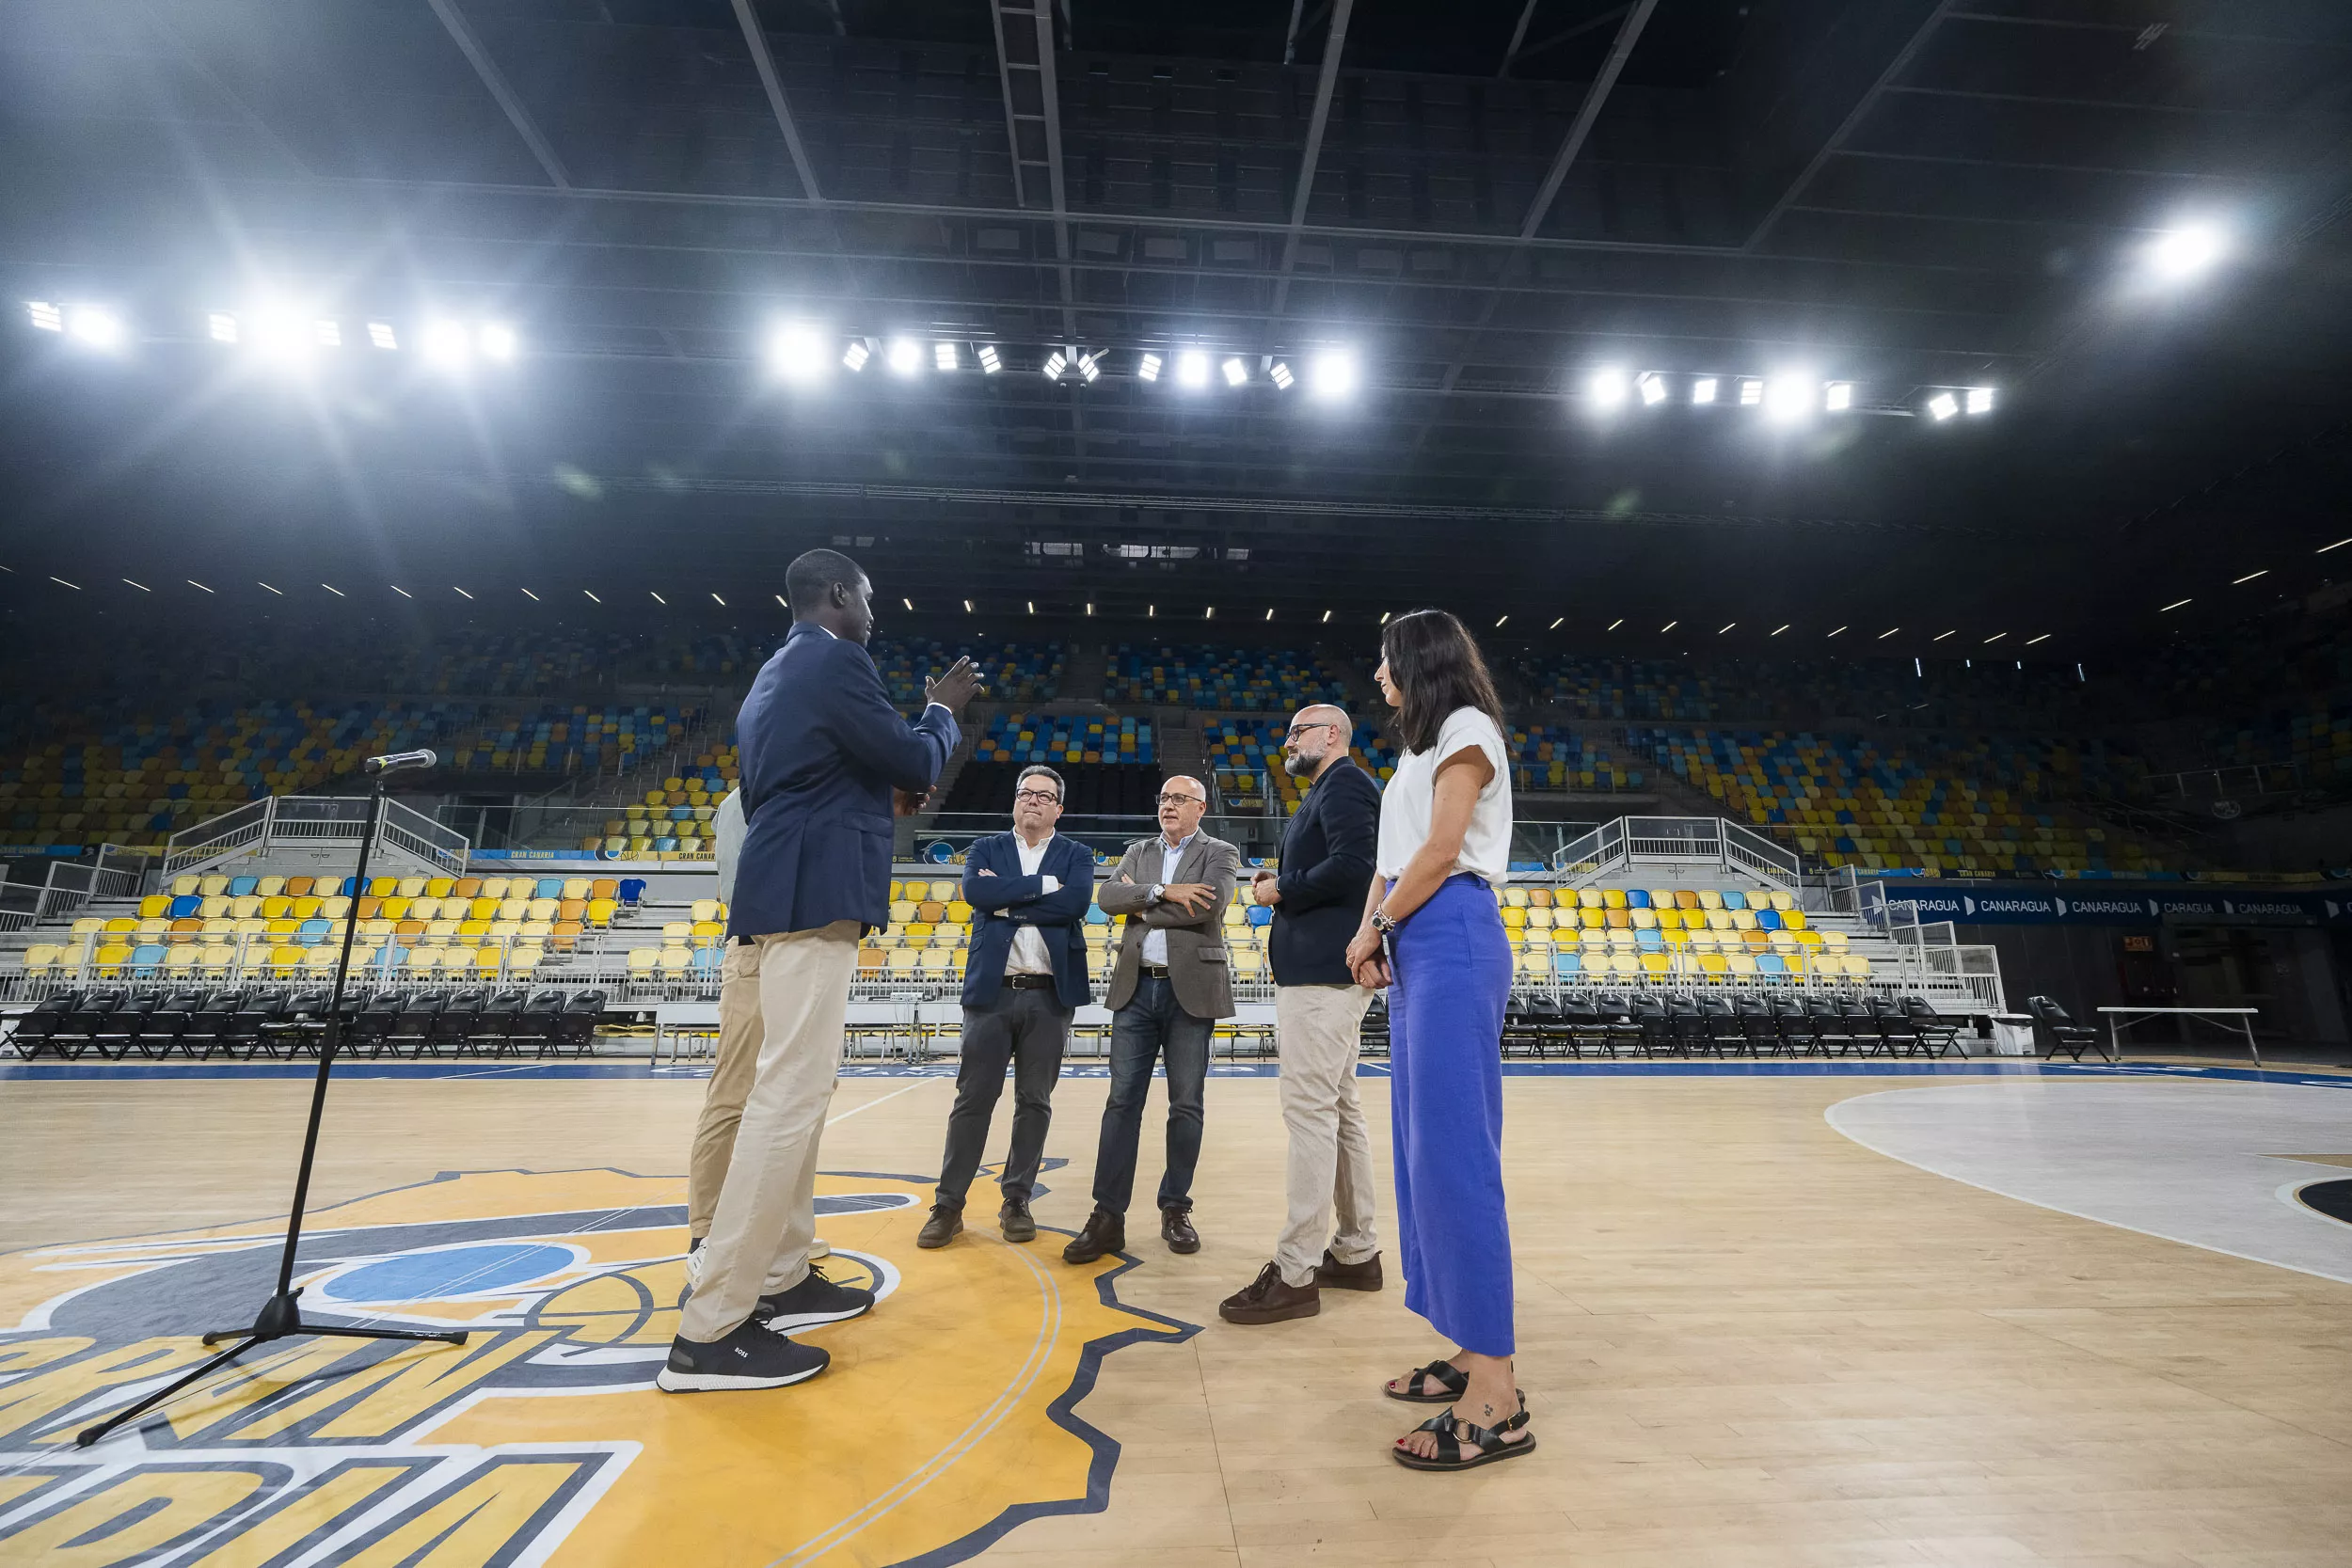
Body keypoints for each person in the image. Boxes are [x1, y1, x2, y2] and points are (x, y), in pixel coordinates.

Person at [659, 548, 978, 1394]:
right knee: (788, 1096)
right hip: (811, 896)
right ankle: (712, 1324)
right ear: (837, 595)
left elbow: (789, 790)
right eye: (868, 596)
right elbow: (914, 762)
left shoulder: (776, 671)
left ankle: (783, 1272)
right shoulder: (838, 658)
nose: (874, 610)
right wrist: (939, 712)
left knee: (797, 1092)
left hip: (776, 894)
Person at [1342, 609, 1532, 1470]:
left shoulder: (1466, 727)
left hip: (1451, 929)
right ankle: (1467, 1345)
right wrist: (1370, 927)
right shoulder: (1416, 751)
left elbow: (1446, 846)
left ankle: (1499, 1396)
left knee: (1456, 1158)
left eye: (1385, 661)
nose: (1377, 674)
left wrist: (1378, 923)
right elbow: (1393, 855)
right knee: (1421, 1156)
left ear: (1418, 661)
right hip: (1415, 936)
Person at [1218, 705, 1384, 1324]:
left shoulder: (1344, 783)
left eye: (1298, 731)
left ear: (1333, 733)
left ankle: (1295, 1270)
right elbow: (1338, 864)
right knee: (1339, 1110)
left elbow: (1353, 865)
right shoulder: (1330, 788)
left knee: (1311, 1113)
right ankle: (1357, 1249)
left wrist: (1281, 889)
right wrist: (1281, 877)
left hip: (1323, 974)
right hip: (1324, 973)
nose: (1287, 741)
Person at [916, 765, 1095, 1248]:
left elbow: (1076, 903)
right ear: (1014, 802)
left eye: (1043, 795)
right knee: (972, 1102)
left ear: (1059, 807)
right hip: (991, 994)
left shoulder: (1077, 854)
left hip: (1049, 995)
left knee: (1034, 1102)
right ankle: (949, 1204)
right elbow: (976, 892)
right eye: (1025, 793)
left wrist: (1007, 901)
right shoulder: (985, 848)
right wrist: (1042, 888)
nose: (1032, 800)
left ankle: (1017, 1198)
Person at [1062, 775, 1238, 1263]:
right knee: (1121, 1104)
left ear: (1201, 807)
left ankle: (1176, 1208)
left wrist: (1142, 904)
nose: (1168, 806)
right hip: (1135, 989)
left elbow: (1210, 906)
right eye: (1163, 798)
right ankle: (1108, 1216)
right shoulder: (1138, 850)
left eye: (1179, 799)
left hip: (1191, 992)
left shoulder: (1221, 851)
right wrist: (1165, 890)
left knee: (1186, 1105)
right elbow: (1106, 899)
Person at [681, 786, 824, 1282]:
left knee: (798, 1097)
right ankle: (706, 1233)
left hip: (797, 948)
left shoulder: (795, 791)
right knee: (734, 1093)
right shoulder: (745, 801)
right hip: (759, 946)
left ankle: (779, 1231)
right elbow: (748, 886)